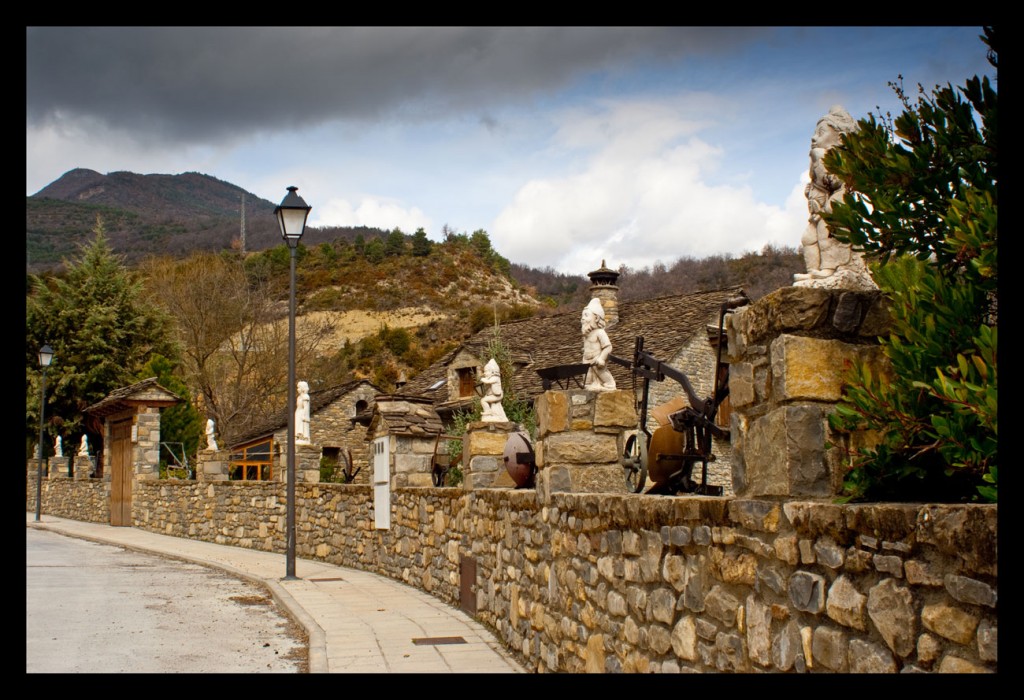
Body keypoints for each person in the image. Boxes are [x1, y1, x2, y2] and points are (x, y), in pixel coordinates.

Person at [581, 298, 616, 391]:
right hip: (586, 361)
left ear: (596, 318)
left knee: (603, 375)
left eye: (586, 315)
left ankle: (609, 385)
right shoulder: (586, 335)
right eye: (582, 316)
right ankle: (591, 386)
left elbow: (608, 347)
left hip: (597, 360)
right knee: (586, 381)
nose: (583, 318)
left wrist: (601, 358)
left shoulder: (600, 332)